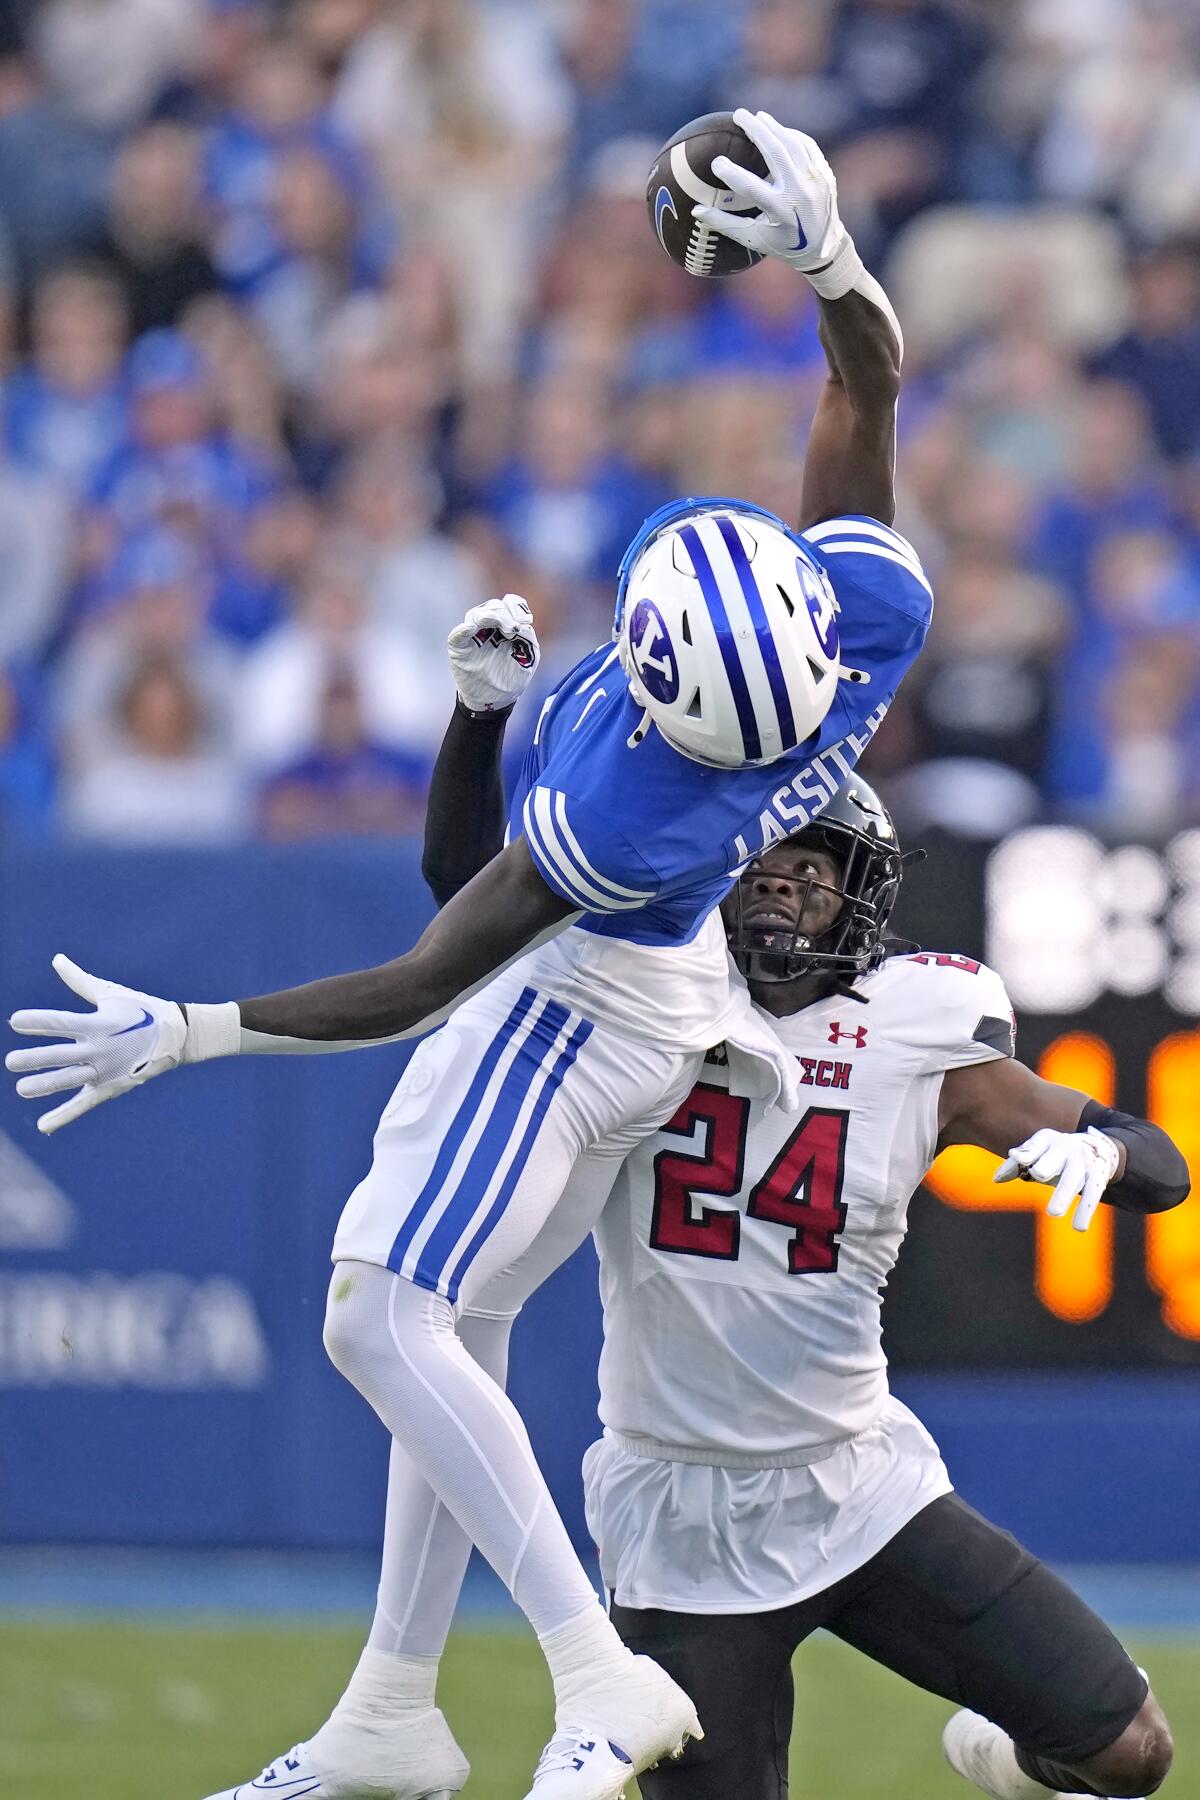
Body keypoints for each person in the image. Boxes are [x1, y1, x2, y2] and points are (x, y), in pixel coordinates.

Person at [9, 114, 932, 1799]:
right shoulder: (854, 633)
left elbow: (436, 948)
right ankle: (390, 1712)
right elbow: (866, 391)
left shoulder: (631, 805)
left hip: (581, 1009)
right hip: (631, 1003)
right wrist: (832, 263)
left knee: (379, 1308)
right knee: (468, 1323)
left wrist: (201, 1028)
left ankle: (593, 1674)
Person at [423, 709, 1187, 1800]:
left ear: (858, 893)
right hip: (678, 1514)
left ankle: (1002, 1760)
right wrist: (478, 715)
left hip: (860, 1485)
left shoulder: (917, 1029)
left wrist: (1105, 1158)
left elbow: (1163, 1161)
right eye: (760, 869)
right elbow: (465, 896)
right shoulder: (638, 994)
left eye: (811, 871)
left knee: (1131, 1752)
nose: (781, 890)